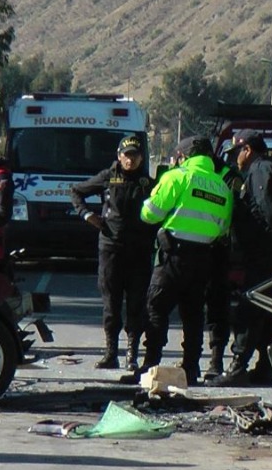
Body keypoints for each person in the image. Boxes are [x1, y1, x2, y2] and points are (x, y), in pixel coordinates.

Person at [139, 136, 233, 382]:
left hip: (173, 255)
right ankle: (190, 368)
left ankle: (151, 365)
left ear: (184, 156)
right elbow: (223, 227)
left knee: (156, 309)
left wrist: (150, 204)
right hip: (203, 258)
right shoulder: (221, 186)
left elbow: (150, 213)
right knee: (192, 315)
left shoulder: (177, 176)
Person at [217, 132, 272, 386]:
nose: (236, 160)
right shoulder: (262, 170)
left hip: (267, 254)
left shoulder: (261, 170)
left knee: (250, 308)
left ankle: (237, 368)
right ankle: (264, 368)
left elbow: (270, 211)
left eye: (237, 154)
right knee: (267, 311)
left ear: (248, 150)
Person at [70, 134, 156, 371]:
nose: (131, 161)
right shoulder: (108, 177)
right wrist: (88, 215)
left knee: (136, 305)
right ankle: (110, 353)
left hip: (139, 251)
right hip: (111, 249)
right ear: (119, 156)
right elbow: (76, 192)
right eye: (127, 156)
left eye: (135, 156)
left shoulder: (148, 184)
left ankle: (132, 355)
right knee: (111, 303)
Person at [202, 143, 246, 380]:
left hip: (221, 250)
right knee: (192, 307)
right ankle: (191, 361)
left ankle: (215, 360)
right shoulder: (194, 174)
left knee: (217, 306)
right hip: (192, 249)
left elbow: (239, 210)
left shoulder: (230, 177)